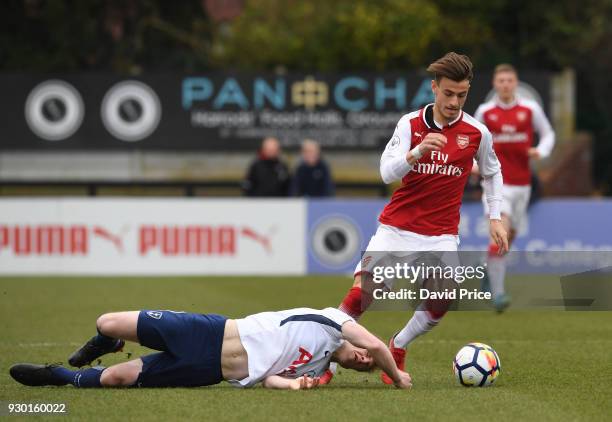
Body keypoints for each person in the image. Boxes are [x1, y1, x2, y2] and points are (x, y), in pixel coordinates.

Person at [324, 52, 508, 386]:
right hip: (396, 229)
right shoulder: (410, 124)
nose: (454, 101)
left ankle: (398, 345)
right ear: (434, 88)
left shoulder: (477, 132)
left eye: (461, 95)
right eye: (448, 93)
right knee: (359, 297)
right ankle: (327, 363)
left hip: (440, 236)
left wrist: (494, 217)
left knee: (441, 302)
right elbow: (385, 172)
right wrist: (417, 152)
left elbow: (493, 172)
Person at [9, 307, 412, 390]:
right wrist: (395, 376)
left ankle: (57, 378)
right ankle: (110, 341)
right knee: (107, 321)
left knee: (115, 379)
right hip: (208, 333)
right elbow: (377, 345)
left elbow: (269, 379)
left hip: (209, 372)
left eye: (363, 365)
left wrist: (291, 387)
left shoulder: (313, 370)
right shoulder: (333, 321)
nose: (363, 358)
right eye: (364, 357)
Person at [474, 64, 555, 312]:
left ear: (515, 84)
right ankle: (499, 295)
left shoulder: (529, 109)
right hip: (495, 184)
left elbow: (548, 133)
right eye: (501, 80)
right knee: (500, 233)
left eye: (510, 80)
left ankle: (488, 271)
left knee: (509, 237)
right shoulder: (486, 112)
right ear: (494, 85)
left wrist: (540, 151)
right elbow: (469, 138)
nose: (506, 84)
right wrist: (471, 164)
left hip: (523, 185)